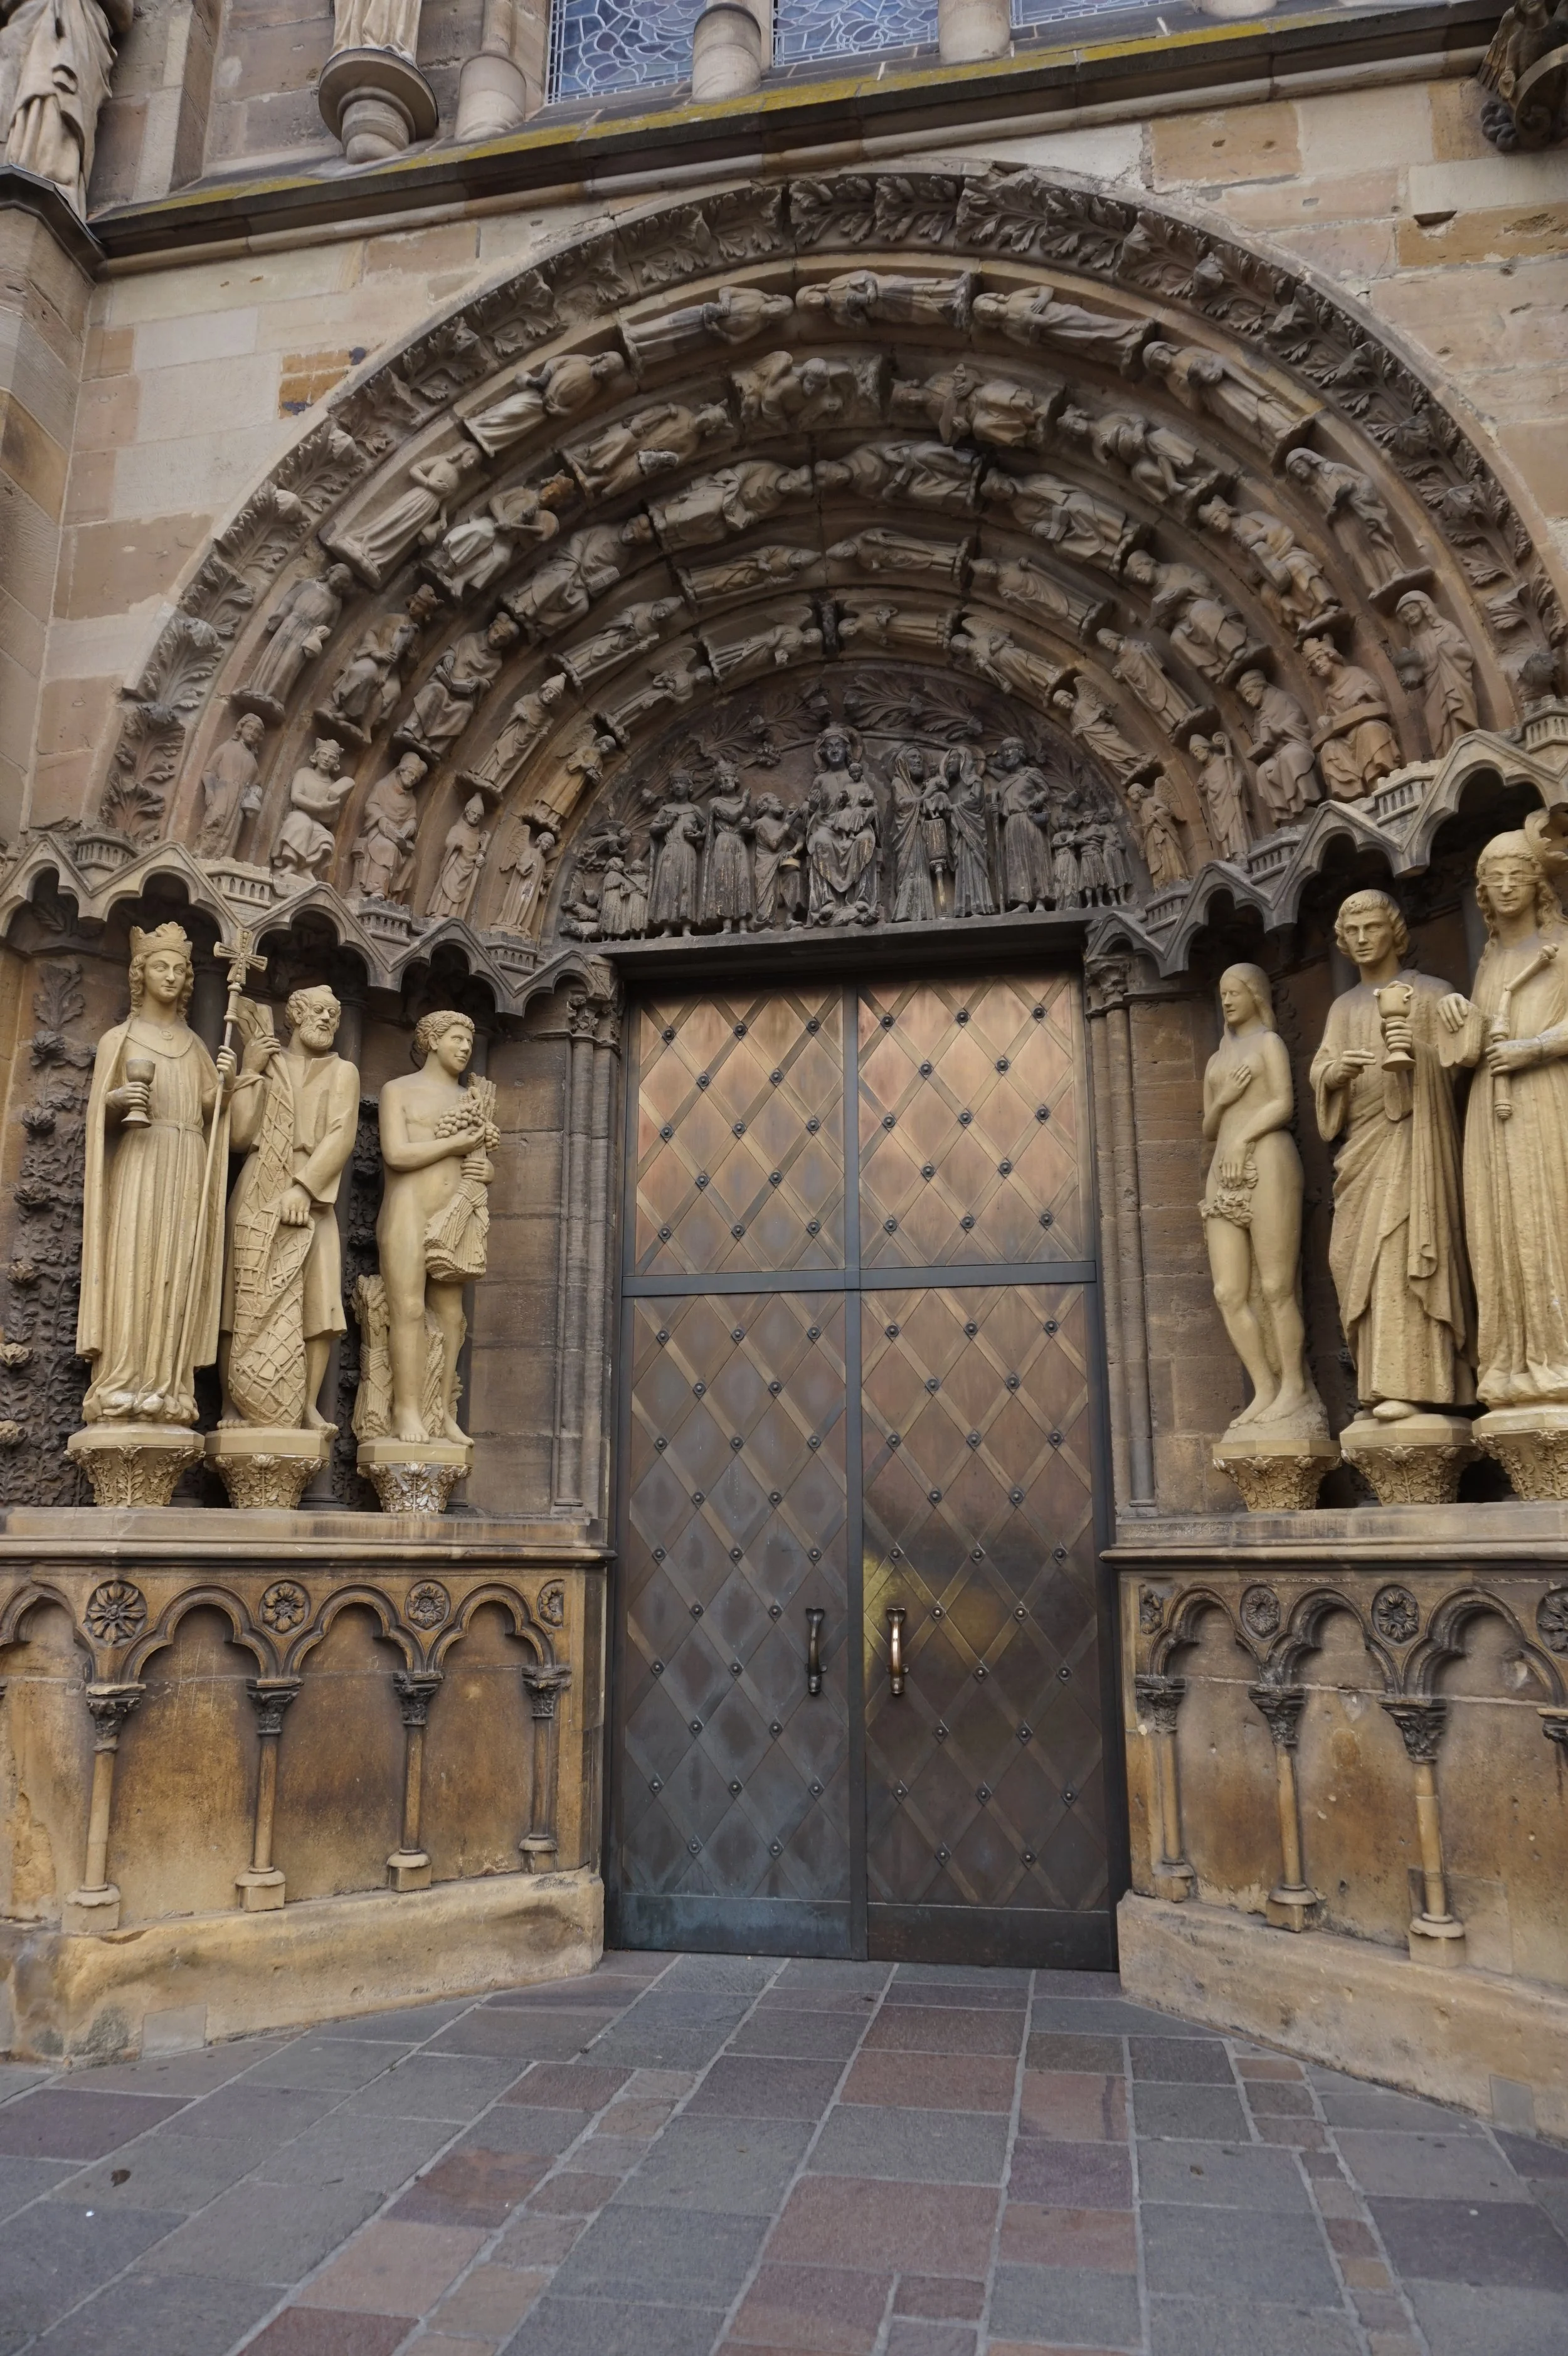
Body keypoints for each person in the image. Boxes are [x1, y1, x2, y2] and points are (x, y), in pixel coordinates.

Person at [1310, 891, 1474, 1420]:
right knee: (1355, 1260)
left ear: (1395, 932)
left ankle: (1421, 1383)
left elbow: (1460, 1069)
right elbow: (1323, 1070)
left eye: (1371, 928)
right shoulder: (1343, 1007)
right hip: (1361, 1151)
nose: (1361, 940)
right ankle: (1377, 1384)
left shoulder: (1431, 993)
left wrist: (1419, 1054)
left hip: (1415, 1148)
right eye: (1351, 931)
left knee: (1406, 1255)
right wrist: (1335, 1075)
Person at [77, 925, 235, 1428]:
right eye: (159, 966)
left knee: (177, 1271)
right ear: (139, 973)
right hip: (140, 1165)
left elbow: (213, 1116)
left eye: (179, 968)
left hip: (187, 1163)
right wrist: (115, 1101)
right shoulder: (117, 1039)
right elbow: (97, 1118)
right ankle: (121, 1381)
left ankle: (168, 1385)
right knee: (135, 1266)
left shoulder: (196, 1047)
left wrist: (228, 1086)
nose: (170, 976)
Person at [1437, 826, 1568, 1406]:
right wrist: (1456, 1019)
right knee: (1500, 1231)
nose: (1508, 886)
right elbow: (1473, 1046)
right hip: (1491, 1114)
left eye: (1519, 874)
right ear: (1482, 891)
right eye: (1495, 878)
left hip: (1544, 1099)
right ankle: (1513, 1359)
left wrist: (1531, 1049)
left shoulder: (1562, 948)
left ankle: (1557, 1357)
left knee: (1548, 1220)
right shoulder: (1490, 963)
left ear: (1539, 884)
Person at [221, 987, 359, 1431]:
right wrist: (250, 1071)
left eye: (334, 1015)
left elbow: (342, 1136)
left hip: (313, 1195)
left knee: (319, 1305)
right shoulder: (270, 1063)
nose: (326, 1020)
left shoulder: (343, 1072)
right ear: (294, 1016)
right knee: (238, 1300)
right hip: (260, 1185)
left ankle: (305, 1405)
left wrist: (303, 1188)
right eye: (318, 1011)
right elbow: (240, 1138)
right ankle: (232, 1405)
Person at [1200, 963, 1318, 1431]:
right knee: (1229, 1291)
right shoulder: (1216, 1060)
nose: (1228, 1001)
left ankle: (1295, 1387)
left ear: (1256, 995)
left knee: (1275, 1287)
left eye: (1236, 992)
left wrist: (1243, 1138)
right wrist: (1226, 1096)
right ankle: (1265, 1388)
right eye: (1223, 993)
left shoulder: (1269, 1044)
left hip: (1267, 1159)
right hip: (1221, 1171)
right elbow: (1208, 1126)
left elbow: (1283, 1104)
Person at [376, 1011, 497, 1445]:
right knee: (407, 1309)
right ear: (431, 1041)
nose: (465, 1047)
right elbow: (396, 1154)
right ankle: (406, 1410)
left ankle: (443, 1411)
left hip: (456, 1211)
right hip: (408, 1209)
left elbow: (479, 1163)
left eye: (469, 1039)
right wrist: (457, 1144)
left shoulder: (473, 1100)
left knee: (452, 1316)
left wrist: (483, 1168)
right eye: (456, 1038)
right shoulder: (399, 1091)